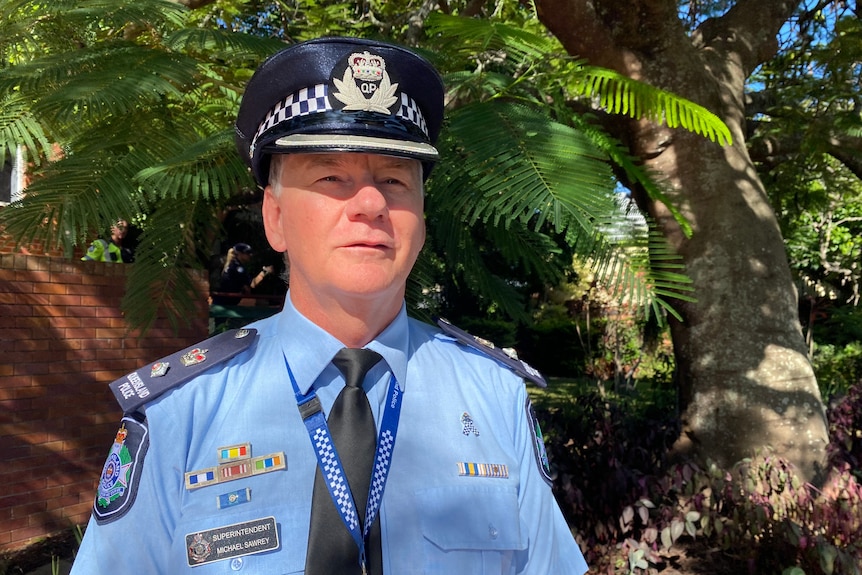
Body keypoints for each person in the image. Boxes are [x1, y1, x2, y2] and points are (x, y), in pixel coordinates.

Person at [71, 37, 589, 574]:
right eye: (331, 177)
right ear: (275, 217)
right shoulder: (181, 413)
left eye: (394, 180)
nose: (370, 204)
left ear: (421, 219)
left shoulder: (495, 399)